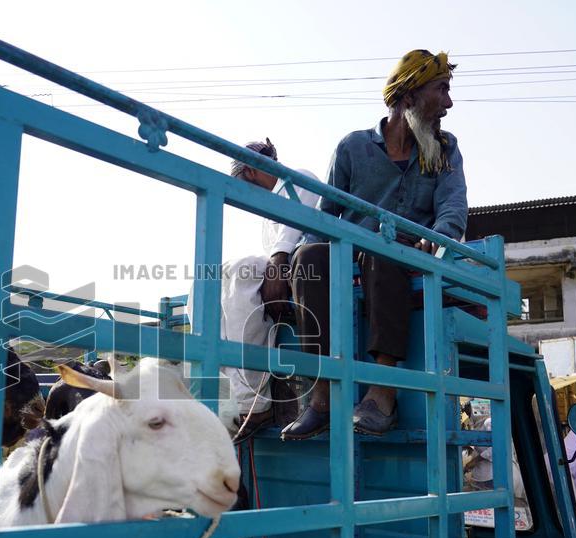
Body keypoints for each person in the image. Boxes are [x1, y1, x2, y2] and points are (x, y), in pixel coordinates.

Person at [280, 49, 467, 440]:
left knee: (386, 249)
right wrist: (292, 259)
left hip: (403, 256)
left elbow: (452, 207)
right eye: (442, 90)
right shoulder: (352, 147)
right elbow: (326, 215)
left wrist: (438, 240)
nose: (448, 104)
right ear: (410, 97)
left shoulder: (445, 149)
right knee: (309, 255)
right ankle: (324, 396)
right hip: (350, 258)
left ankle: (382, 396)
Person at [187, 138, 321, 440]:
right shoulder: (268, 211)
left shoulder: (299, 179)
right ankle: (218, 391)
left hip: (310, 267)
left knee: (241, 269)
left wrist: (277, 262)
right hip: (284, 267)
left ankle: (254, 402)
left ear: (248, 173)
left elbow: (287, 242)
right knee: (205, 281)